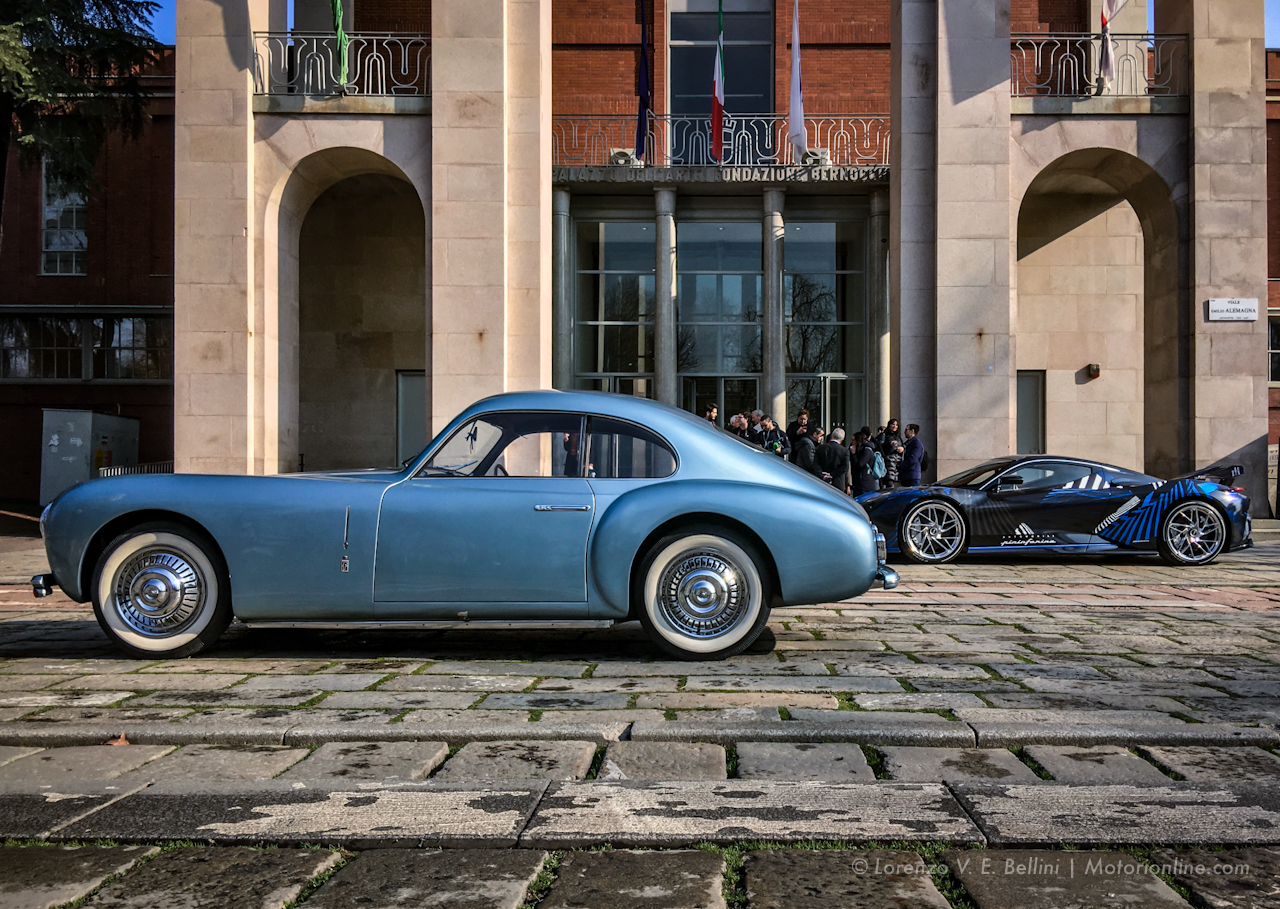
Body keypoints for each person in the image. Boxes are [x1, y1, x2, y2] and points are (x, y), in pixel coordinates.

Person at [816, 427, 851, 492]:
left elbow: (815, 463)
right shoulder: (844, 451)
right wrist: (831, 474)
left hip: (822, 481)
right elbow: (845, 467)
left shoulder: (821, 448)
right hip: (838, 482)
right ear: (842, 439)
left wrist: (822, 474)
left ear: (832, 435)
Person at [850, 430, 879, 494]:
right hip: (858, 482)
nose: (852, 442)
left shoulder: (866, 450)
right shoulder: (859, 450)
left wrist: (853, 454)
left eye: (853, 440)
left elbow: (860, 464)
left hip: (865, 483)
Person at [879, 418, 905, 489]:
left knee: (895, 484)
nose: (895, 426)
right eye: (893, 424)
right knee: (889, 484)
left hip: (897, 463)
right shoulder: (884, 435)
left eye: (896, 425)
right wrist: (889, 444)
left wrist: (902, 449)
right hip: (888, 462)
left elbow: (902, 445)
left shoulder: (898, 437)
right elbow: (880, 446)